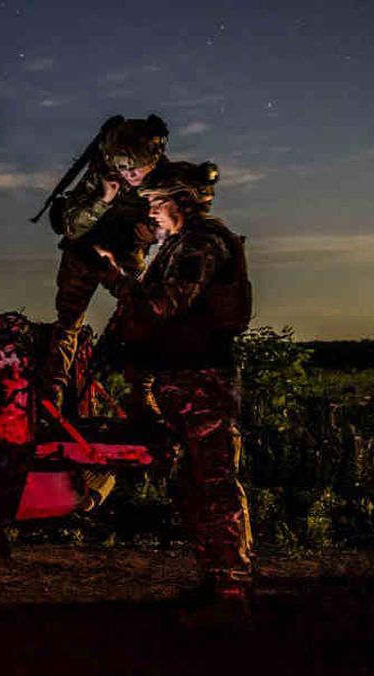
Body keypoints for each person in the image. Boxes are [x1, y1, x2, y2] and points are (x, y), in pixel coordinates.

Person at [104, 160, 255, 625]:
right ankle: (215, 579)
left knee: (214, 479)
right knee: (191, 482)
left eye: (157, 201)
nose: (151, 210)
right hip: (180, 375)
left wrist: (117, 279)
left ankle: (231, 587)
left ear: (183, 202)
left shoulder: (202, 244)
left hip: (202, 377)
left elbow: (165, 304)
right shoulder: (178, 244)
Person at [43, 114, 169, 417]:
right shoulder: (102, 171)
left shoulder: (165, 180)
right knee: (68, 323)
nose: (129, 175)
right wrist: (103, 200)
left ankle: (141, 393)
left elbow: (175, 226)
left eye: (135, 169)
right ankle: (52, 395)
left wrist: (154, 233)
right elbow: (71, 226)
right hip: (84, 252)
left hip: (127, 257)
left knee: (145, 317)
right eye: (124, 168)